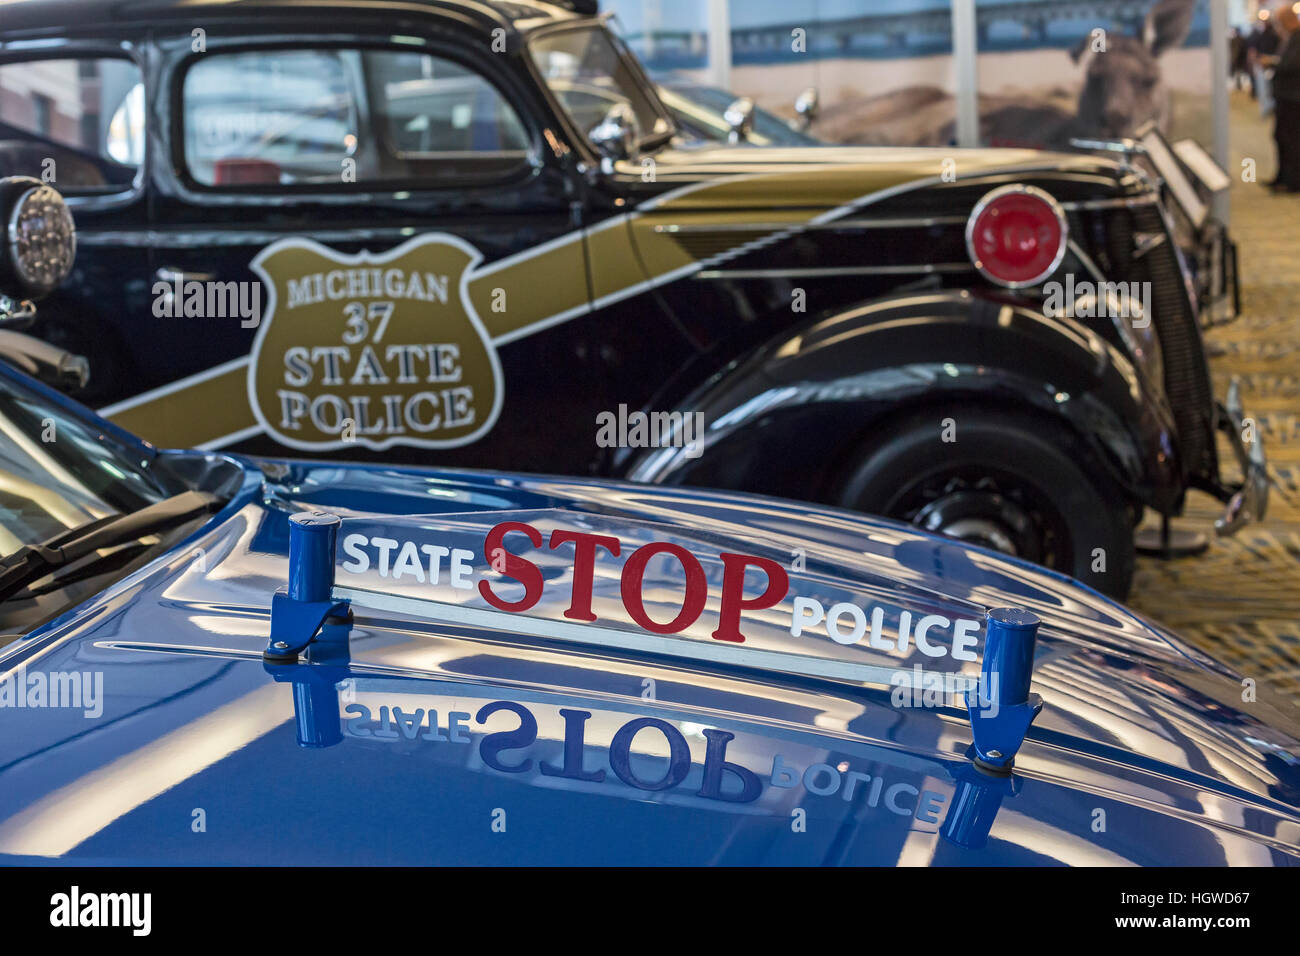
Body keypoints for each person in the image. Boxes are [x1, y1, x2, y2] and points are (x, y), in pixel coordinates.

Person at [1265, 4, 1300, 191]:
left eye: (1279, 21)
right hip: (1286, 97)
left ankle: (1293, 181)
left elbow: (1293, 65)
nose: (1278, 25)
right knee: (1281, 137)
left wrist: (1272, 63)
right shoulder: (1290, 38)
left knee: (1291, 140)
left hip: (1294, 99)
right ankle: (1282, 177)